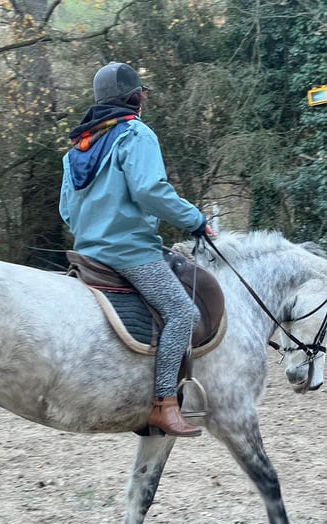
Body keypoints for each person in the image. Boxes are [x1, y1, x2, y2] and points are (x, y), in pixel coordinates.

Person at [59, 62, 213, 437]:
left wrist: (94, 230)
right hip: (130, 253)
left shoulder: (77, 148)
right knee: (182, 312)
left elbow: (66, 210)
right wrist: (195, 219)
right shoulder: (135, 134)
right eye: (142, 92)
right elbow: (150, 191)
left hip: (87, 254)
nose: (144, 98)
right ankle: (164, 404)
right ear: (134, 97)